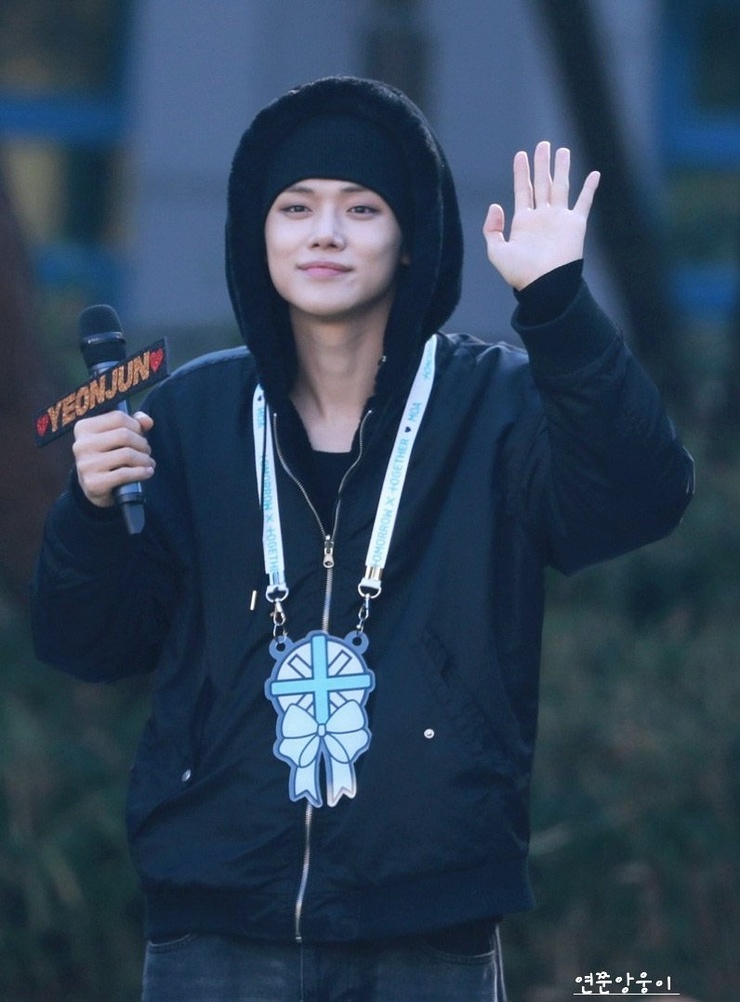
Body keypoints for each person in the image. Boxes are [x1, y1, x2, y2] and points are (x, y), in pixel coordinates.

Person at [31, 76, 694, 1002]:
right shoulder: (188, 417)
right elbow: (89, 643)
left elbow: (644, 498)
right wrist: (93, 512)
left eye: (362, 207)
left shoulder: (494, 408)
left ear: (410, 237)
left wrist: (556, 305)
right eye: (296, 207)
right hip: (214, 927)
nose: (326, 233)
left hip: (430, 924)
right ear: (257, 234)